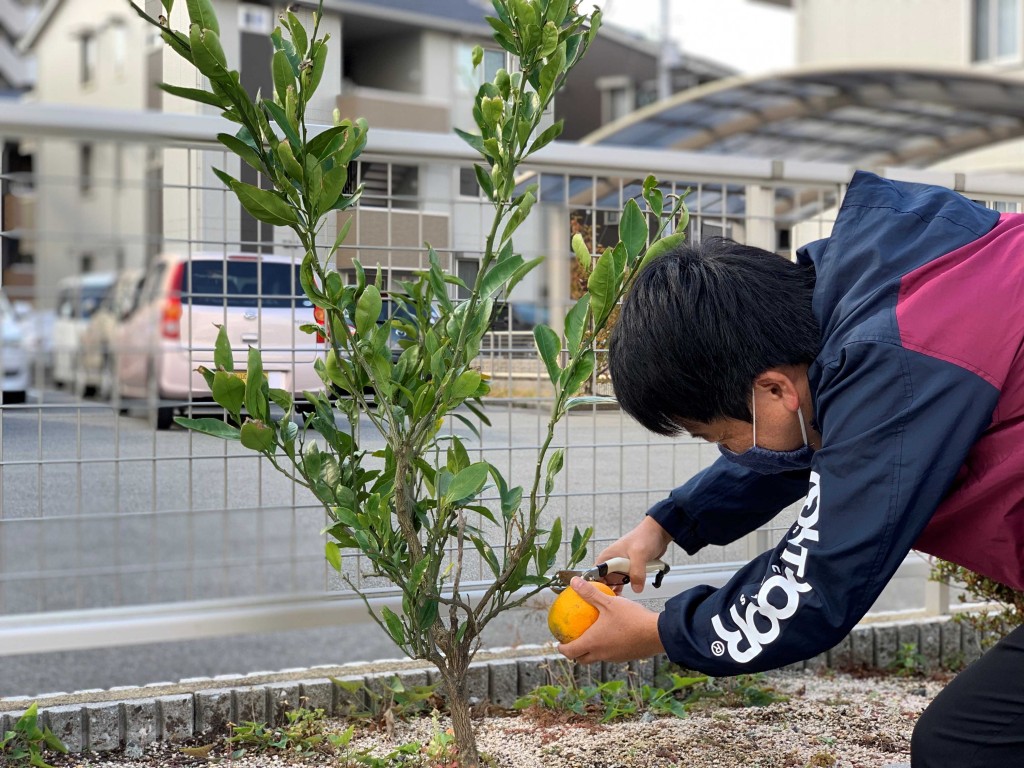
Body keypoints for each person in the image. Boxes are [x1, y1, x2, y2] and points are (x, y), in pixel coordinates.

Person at [556, 170, 1024, 767]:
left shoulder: (897, 363)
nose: (731, 452)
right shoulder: (875, 290)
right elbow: (813, 437)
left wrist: (660, 634)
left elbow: (819, 584)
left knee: (968, 746)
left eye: (720, 436)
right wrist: (667, 524)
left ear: (773, 387)